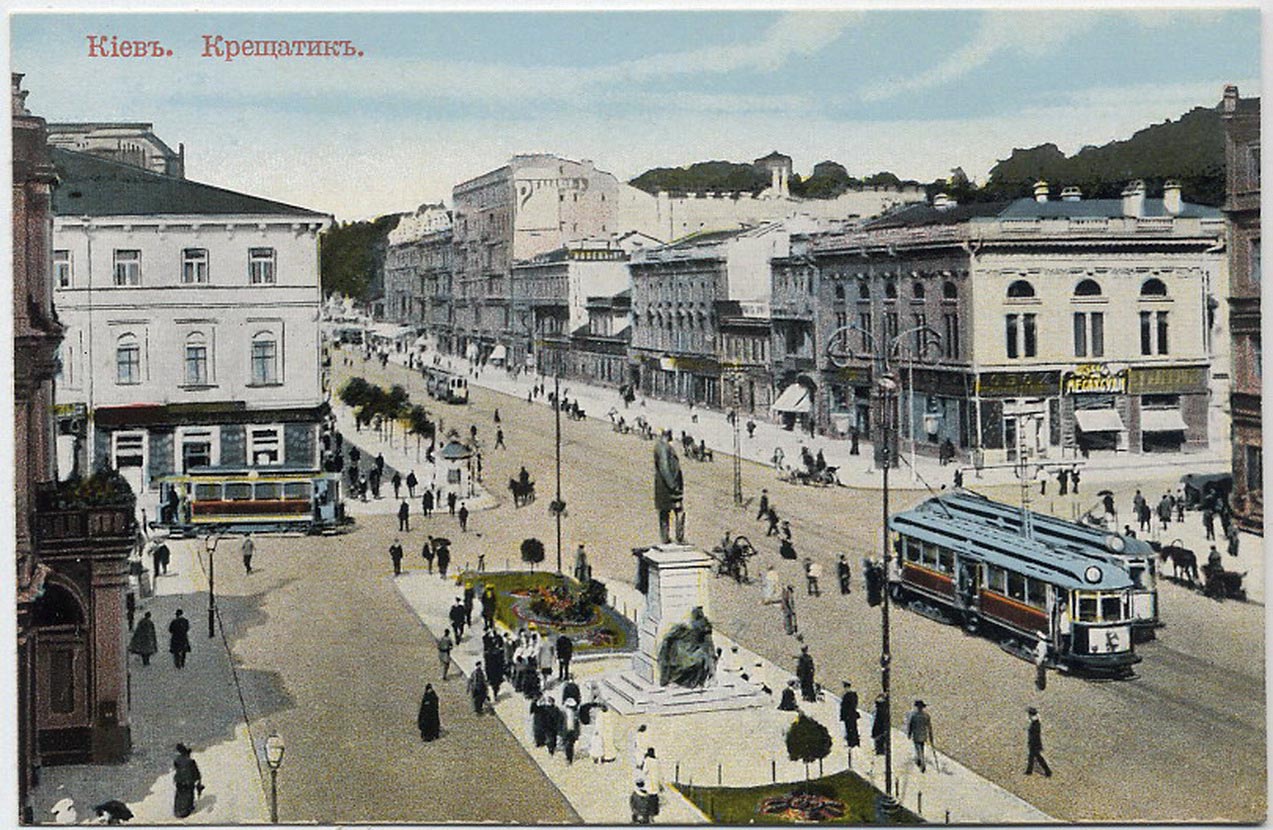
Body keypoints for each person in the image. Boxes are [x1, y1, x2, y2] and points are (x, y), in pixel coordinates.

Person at [653, 431, 686, 544]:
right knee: (678, 511)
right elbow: (664, 467)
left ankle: (665, 538)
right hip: (668, 488)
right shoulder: (664, 448)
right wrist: (673, 485)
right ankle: (678, 538)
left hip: (663, 487)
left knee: (664, 514)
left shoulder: (660, 446)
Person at [172, 744, 203, 818]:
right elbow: (196, 773)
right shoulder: (191, 761)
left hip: (179, 782)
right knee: (188, 796)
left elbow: (177, 769)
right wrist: (198, 780)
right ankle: (187, 810)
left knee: (179, 795)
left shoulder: (177, 760)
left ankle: (178, 811)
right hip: (188, 782)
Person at [905, 700, 932, 772]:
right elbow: (929, 727)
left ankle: (921, 761)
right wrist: (930, 735)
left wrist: (909, 734)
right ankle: (919, 759)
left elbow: (910, 725)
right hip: (923, 735)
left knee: (917, 747)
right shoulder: (926, 715)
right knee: (921, 747)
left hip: (916, 734)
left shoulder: (914, 715)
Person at [1025, 707, 1052, 776]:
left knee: (1038, 758)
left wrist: (1031, 743)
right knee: (1031, 757)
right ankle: (1029, 771)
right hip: (1034, 743)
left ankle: (1048, 771)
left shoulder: (1035, 723)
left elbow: (1035, 735)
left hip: (1035, 744)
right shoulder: (1035, 722)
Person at [840, 681, 861, 752]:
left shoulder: (849, 695)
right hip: (850, 715)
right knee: (851, 728)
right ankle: (853, 742)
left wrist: (846, 714)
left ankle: (852, 743)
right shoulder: (851, 695)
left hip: (849, 715)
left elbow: (849, 706)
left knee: (851, 729)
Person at [560, 698, 582, 763]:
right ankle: (568, 757)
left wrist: (578, 734)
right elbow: (560, 723)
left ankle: (569, 759)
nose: (570, 708)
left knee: (569, 745)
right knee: (566, 745)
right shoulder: (563, 713)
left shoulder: (575, 714)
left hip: (572, 731)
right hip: (565, 731)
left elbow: (577, 725)